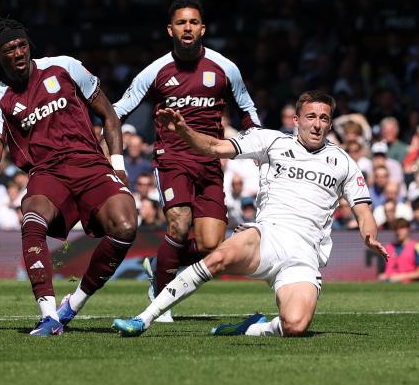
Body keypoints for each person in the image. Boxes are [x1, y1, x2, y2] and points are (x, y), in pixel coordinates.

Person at [112, 90, 387, 338]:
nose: (317, 124)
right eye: (311, 116)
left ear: (329, 123)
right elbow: (214, 147)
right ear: (296, 119)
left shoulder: (344, 162)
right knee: (217, 257)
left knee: (296, 326)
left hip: (305, 254)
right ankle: (143, 318)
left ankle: (253, 328)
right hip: (267, 236)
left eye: (324, 119)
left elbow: (363, 209)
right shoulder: (271, 141)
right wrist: (184, 131)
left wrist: (369, 234)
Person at [0, 18, 136, 336]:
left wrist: (118, 168)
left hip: (91, 165)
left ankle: (73, 305)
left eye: (22, 45)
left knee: (126, 227)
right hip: (48, 172)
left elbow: (109, 115)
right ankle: (49, 315)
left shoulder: (64, 67)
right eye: (9, 49)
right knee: (32, 218)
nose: (18, 52)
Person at [113, 0, 260, 323]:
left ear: (203, 28)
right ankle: (161, 299)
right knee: (179, 225)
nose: (188, 27)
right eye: (181, 23)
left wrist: (261, 147)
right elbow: (119, 108)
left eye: (194, 22)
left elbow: (248, 111)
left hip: (210, 161)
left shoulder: (224, 68)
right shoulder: (155, 71)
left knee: (211, 245)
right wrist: (102, 140)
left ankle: (161, 264)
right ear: (171, 29)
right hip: (172, 158)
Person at [378, 218, 419, 283]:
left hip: (408, 284)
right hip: (389, 283)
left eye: (401, 228)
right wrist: (383, 276)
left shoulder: (417, 246)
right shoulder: (388, 247)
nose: (398, 231)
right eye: (396, 229)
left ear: (408, 229)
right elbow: (382, 274)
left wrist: (401, 277)